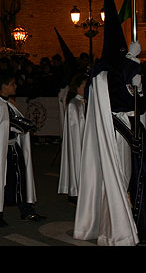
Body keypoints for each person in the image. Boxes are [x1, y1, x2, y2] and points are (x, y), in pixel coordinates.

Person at [73, 0, 146, 246]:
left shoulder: (125, 69)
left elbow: (137, 106)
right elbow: (112, 98)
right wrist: (129, 68)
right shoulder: (102, 74)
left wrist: (138, 87)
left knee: (145, 178)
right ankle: (124, 226)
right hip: (118, 134)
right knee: (124, 179)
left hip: (135, 129)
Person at [0, 71, 45, 226]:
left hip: (13, 148)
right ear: (4, 86)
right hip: (0, 151)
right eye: (12, 83)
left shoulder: (9, 104)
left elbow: (15, 122)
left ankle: (26, 210)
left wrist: (24, 125)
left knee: (20, 178)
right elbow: (1, 128)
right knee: (1, 178)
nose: (15, 86)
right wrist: (20, 125)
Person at [57, 72, 87, 203]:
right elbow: (75, 129)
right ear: (78, 87)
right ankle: (76, 190)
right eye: (85, 86)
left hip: (86, 140)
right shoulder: (73, 104)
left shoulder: (83, 102)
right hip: (78, 141)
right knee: (77, 161)